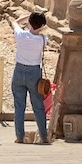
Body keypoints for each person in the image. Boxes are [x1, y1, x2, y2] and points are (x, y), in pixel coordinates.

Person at [12, 11, 51, 144]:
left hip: (19, 70)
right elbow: (46, 35)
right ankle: (44, 136)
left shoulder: (21, 35)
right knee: (38, 106)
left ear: (29, 22)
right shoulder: (43, 40)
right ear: (42, 25)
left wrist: (26, 17)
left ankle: (19, 136)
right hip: (34, 73)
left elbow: (15, 22)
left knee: (19, 105)